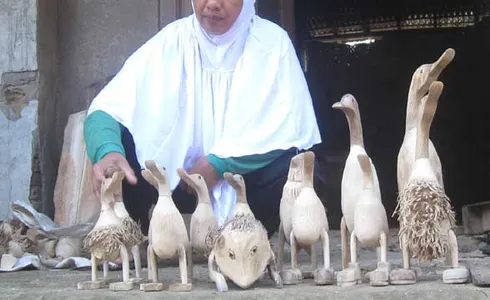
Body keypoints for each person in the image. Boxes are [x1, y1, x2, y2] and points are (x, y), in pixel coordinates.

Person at [84, 0, 323, 237]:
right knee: (122, 150)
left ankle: (249, 237)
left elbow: (290, 127)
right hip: (178, 186)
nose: (213, 4)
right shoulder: (172, 41)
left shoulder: (272, 44)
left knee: (296, 167)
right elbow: (106, 108)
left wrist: (220, 165)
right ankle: (130, 234)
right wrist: (107, 150)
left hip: (246, 187)